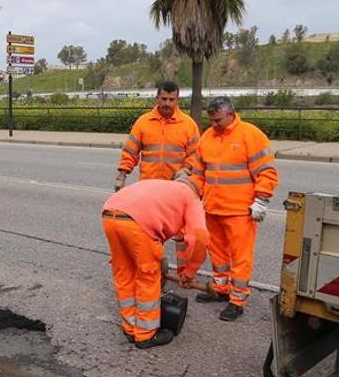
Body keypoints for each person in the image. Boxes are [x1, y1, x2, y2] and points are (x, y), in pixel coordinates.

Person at [189, 97, 278, 321]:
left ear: (231, 114)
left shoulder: (250, 135)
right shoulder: (207, 137)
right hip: (213, 208)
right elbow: (199, 173)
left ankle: (237, 300)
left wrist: (262, 199)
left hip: (239, 212)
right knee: (218, 255)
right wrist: (193, 196)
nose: (214, 125)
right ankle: (221, 290)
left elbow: (266, 171)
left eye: (218, 120)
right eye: (211, 120)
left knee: (240, 257)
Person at [101, 175, 209, 349]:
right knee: (148, 276)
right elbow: (199, 239)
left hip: (110, 214)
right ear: (200, 192)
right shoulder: (191, 197)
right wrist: (190, 273)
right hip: (138, 224)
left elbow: (182, 239)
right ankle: (145, 335)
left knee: (125, 273)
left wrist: (184, 271)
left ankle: (129, 327)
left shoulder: (162, 187)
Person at [114, 81, 200, 191]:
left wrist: (185, 170)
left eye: (171, 99)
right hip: (148, 186)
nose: (167, 103)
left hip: (175, 187)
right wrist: (122, 175)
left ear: (177, 100)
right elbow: (130, 152)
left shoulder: (188, 125)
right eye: (164, 99)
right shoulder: (143, 122)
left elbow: (196, 156)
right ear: (157, 98)